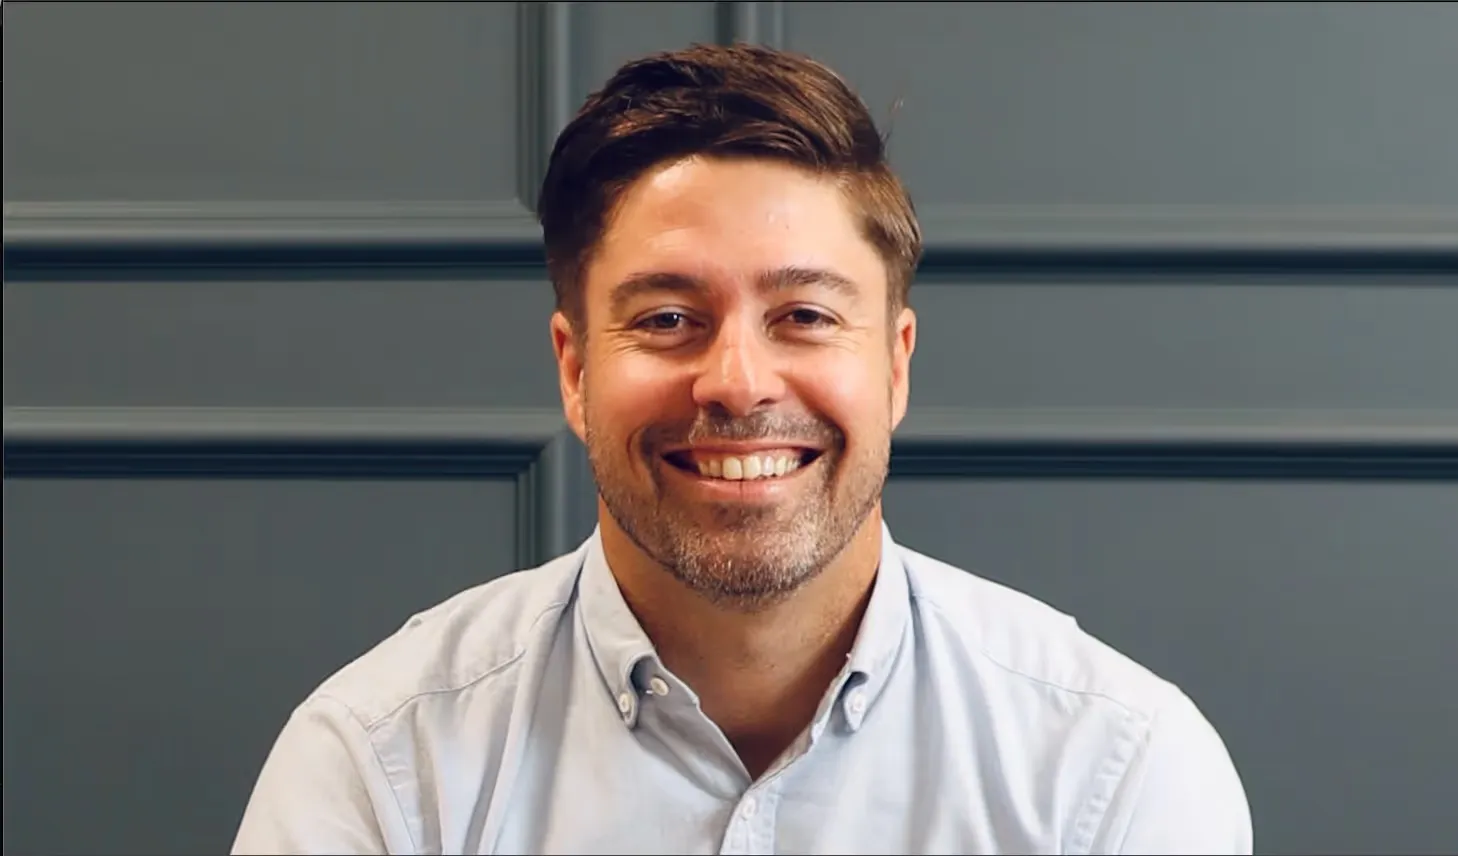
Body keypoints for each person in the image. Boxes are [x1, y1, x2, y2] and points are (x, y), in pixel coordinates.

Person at [231, 43, 1252, 855]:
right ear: (575, 371)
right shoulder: (381, 764)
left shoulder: (1115, 772)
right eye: (668, 319)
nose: (738, 381)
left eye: (805, 315)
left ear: (895, 365)